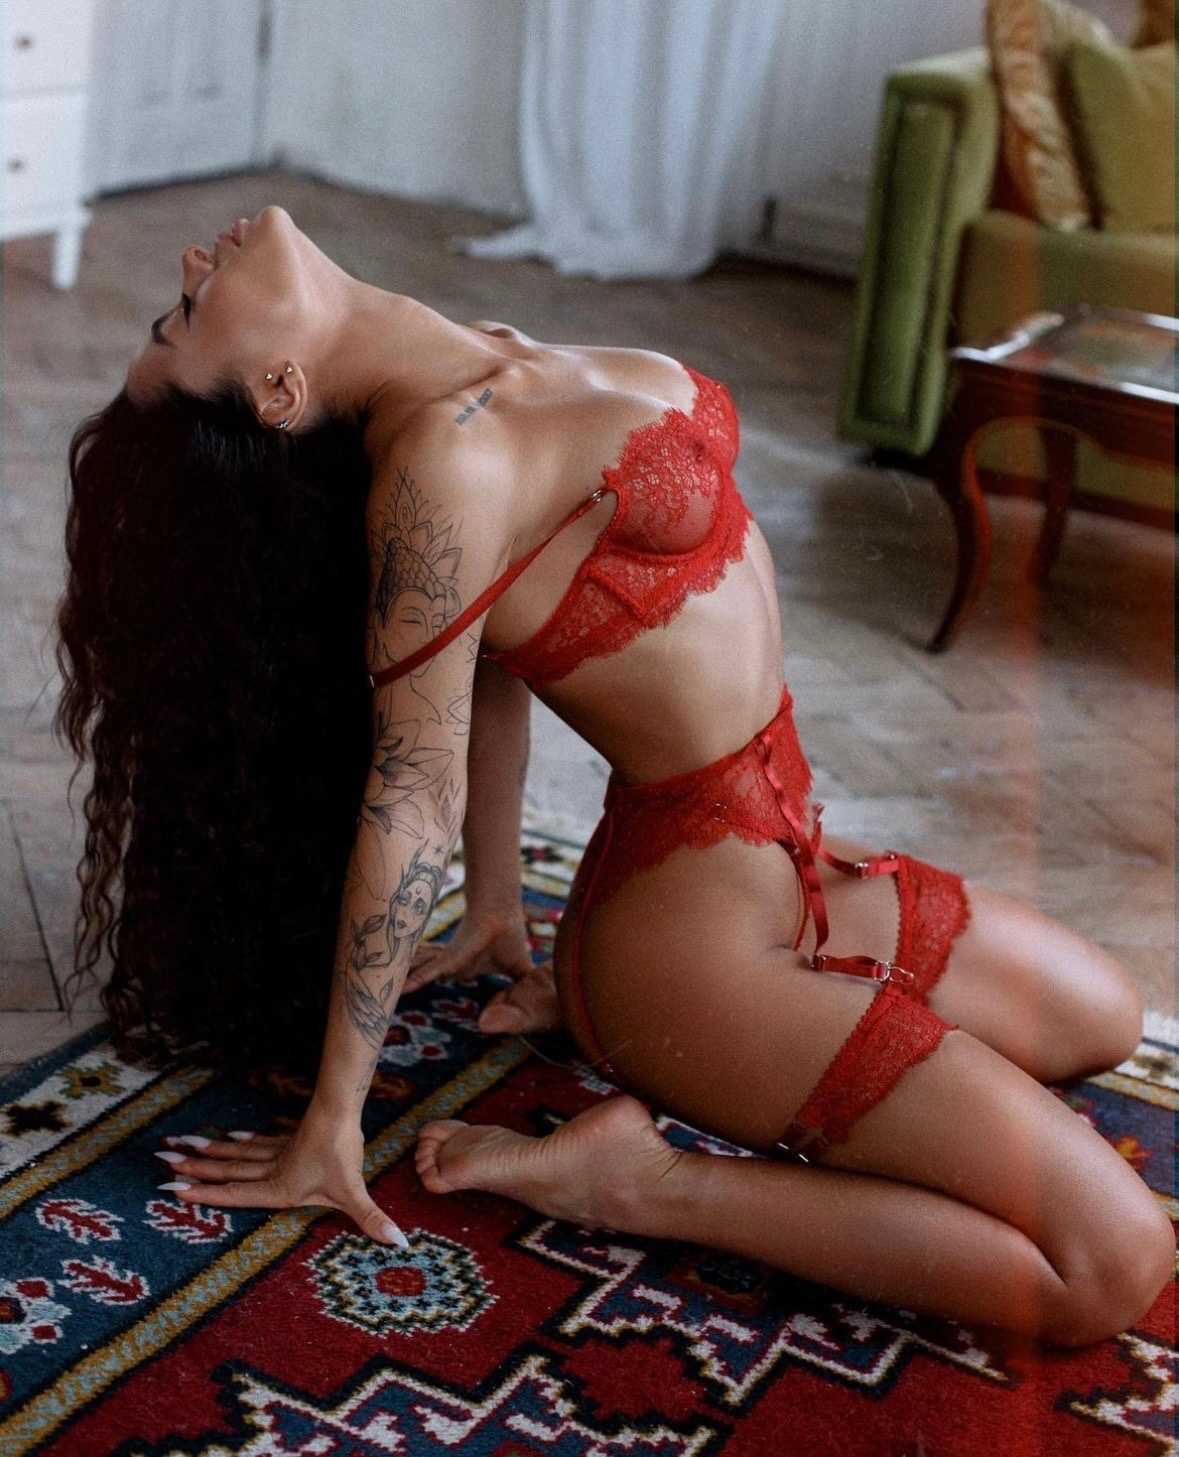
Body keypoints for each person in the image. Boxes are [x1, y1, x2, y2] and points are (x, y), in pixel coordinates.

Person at [57, 204, 1170, 1348]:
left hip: (792, 859)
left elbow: (488, 665)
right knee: (1110, 1265)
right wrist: (332, 1123)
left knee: (1104, 1017)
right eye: (185, 313)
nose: (193, 259)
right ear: (280, 388)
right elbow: (411, 795)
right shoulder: (443, 460)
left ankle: (655, 1027)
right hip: (689, 948)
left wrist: (497, 905)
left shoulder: (485, 360)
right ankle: (643, 1180)